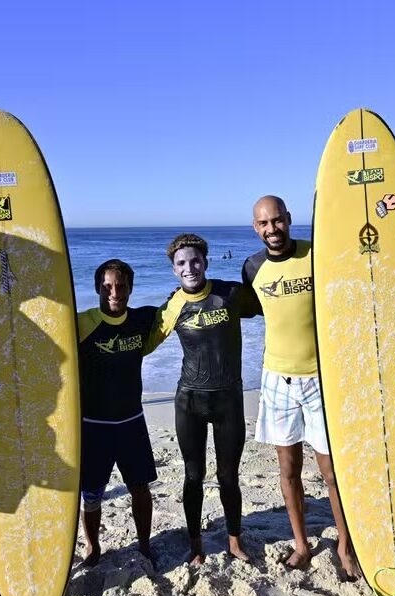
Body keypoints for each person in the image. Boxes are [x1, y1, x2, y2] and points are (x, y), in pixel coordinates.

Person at [242, 195, 360, 578]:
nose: (271, 229)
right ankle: (301, 544)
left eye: (277, 221)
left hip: (320, 380)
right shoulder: (252, 267)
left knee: (331, 472)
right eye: (263, 224)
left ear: (289, 219)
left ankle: (345, 544)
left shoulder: (317, 254)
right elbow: (242, 305)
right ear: (255, 228)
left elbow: (363, 269)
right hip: (277, 379)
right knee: (288, 470)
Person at [145, 233, 260, 566]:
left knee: (228, 476)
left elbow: (277, 307)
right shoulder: (172, 305)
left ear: (206, 262)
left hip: (229, 402)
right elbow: (143, 343)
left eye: (195, 260)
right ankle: (196, 545)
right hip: (190, 402)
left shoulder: (231, 295)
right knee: (193, 476)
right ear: (173, 270)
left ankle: (235, 541)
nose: (189, 267)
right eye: (181, 263)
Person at [78, 259, 158, 566]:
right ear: (98, 287)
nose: (115, 292)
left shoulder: (142, 319)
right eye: (108, 286)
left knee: (140, 487)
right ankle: (93, 546)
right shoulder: (81, 323)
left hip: (131, 422)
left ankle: (144, 545)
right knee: (92, 494)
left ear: (131, 288)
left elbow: (174, 312)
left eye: (121, 285)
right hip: (93, 425)